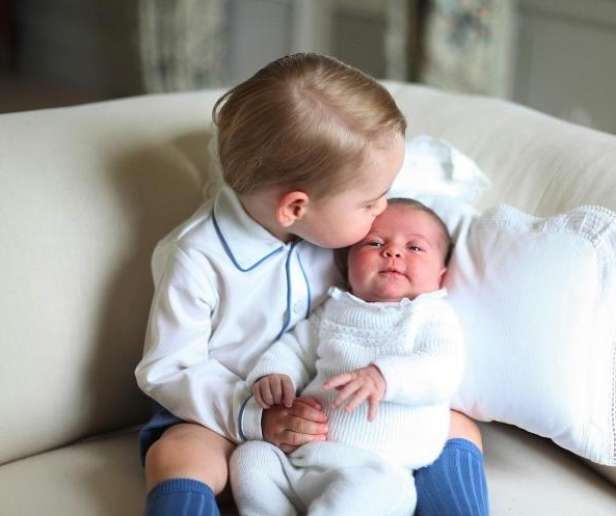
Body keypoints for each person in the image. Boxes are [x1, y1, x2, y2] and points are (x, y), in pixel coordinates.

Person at [135, 52, 488, 516]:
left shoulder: (339, 217)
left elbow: (418, 178)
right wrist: (257, 416)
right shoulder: (197, 257)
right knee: (178, 452)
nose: (382, 211)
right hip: (227, 414)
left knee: (457, 425)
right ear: (296, 208)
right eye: (370, 203)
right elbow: (167, 369)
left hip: (342, 410)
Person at [230, 198, 463, 516]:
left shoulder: (432, 315)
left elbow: (443, 369)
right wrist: (275, 375)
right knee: (251, 457)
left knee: (377, 492)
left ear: (441, 274)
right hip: (303, 459)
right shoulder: (335, 309)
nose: (392, 252)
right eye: (375, 242)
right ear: (347, 262)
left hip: (378, 470)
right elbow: (295, 348)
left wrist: (384, 376)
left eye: (415, 247)